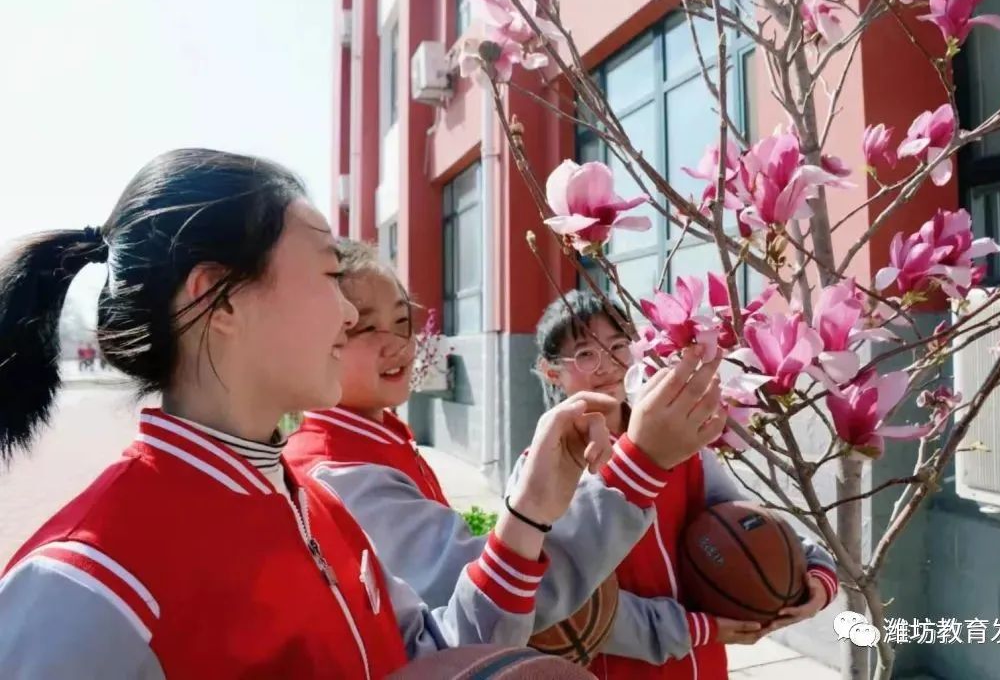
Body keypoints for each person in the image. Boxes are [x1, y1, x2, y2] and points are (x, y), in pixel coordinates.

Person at [0, 149, 616, 679]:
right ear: (218, 298)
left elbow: (432, 656)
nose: (349, 315)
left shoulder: (317, 512)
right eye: (329, 274)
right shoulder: (85, 588)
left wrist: (530, 510)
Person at [285, 239, 730, 632]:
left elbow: (729, 511)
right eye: (362, 327)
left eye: (403, 321)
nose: (397, 342)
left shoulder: (378, 439)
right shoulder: (341, 471)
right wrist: (639, 467)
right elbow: (503, 599)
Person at [531, 290, 840, 679]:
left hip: (703, 668)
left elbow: (743, 519)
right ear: (551, 371)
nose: (607, 364)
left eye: (618, 346)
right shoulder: (542, 469)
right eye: (585, 354)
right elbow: (567, 605)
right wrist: (693, 629)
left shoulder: (680, 446)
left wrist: (812, 566)